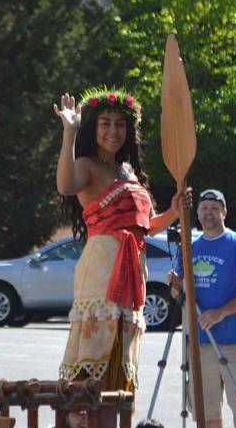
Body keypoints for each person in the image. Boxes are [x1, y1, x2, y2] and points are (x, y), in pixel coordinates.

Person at [54, 89, 190, 392]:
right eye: (105, 123)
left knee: (120, 367)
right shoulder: (86, 164)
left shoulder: (131, 174)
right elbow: (64, 185)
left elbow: (148, 226)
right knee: (93, 366)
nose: (113, 131)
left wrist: (174, 210)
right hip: (101, 270)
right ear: (93, 128)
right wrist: (69, 132)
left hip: (132, 273)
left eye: (120, 124)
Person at [169, 188, 236, 428]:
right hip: (199, 342)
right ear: (197, 213)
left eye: (214, 208)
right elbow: (183, 293)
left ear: (224, 212)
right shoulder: (190, 248)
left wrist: (221, 312)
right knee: (207, 410)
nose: (208, 212)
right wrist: (176, 287)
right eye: (204, 208)